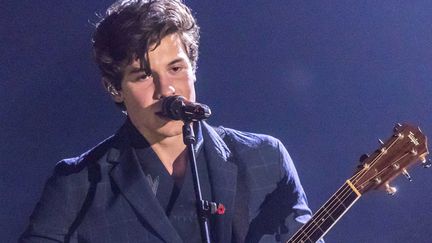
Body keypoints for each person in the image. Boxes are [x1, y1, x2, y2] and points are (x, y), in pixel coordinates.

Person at [20, 0, 321, 242]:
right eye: (143, 75)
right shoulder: (76, 184)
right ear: (114, 89)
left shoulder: (264, 158)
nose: (167, 90)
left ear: (194, 67)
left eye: (176, 68)